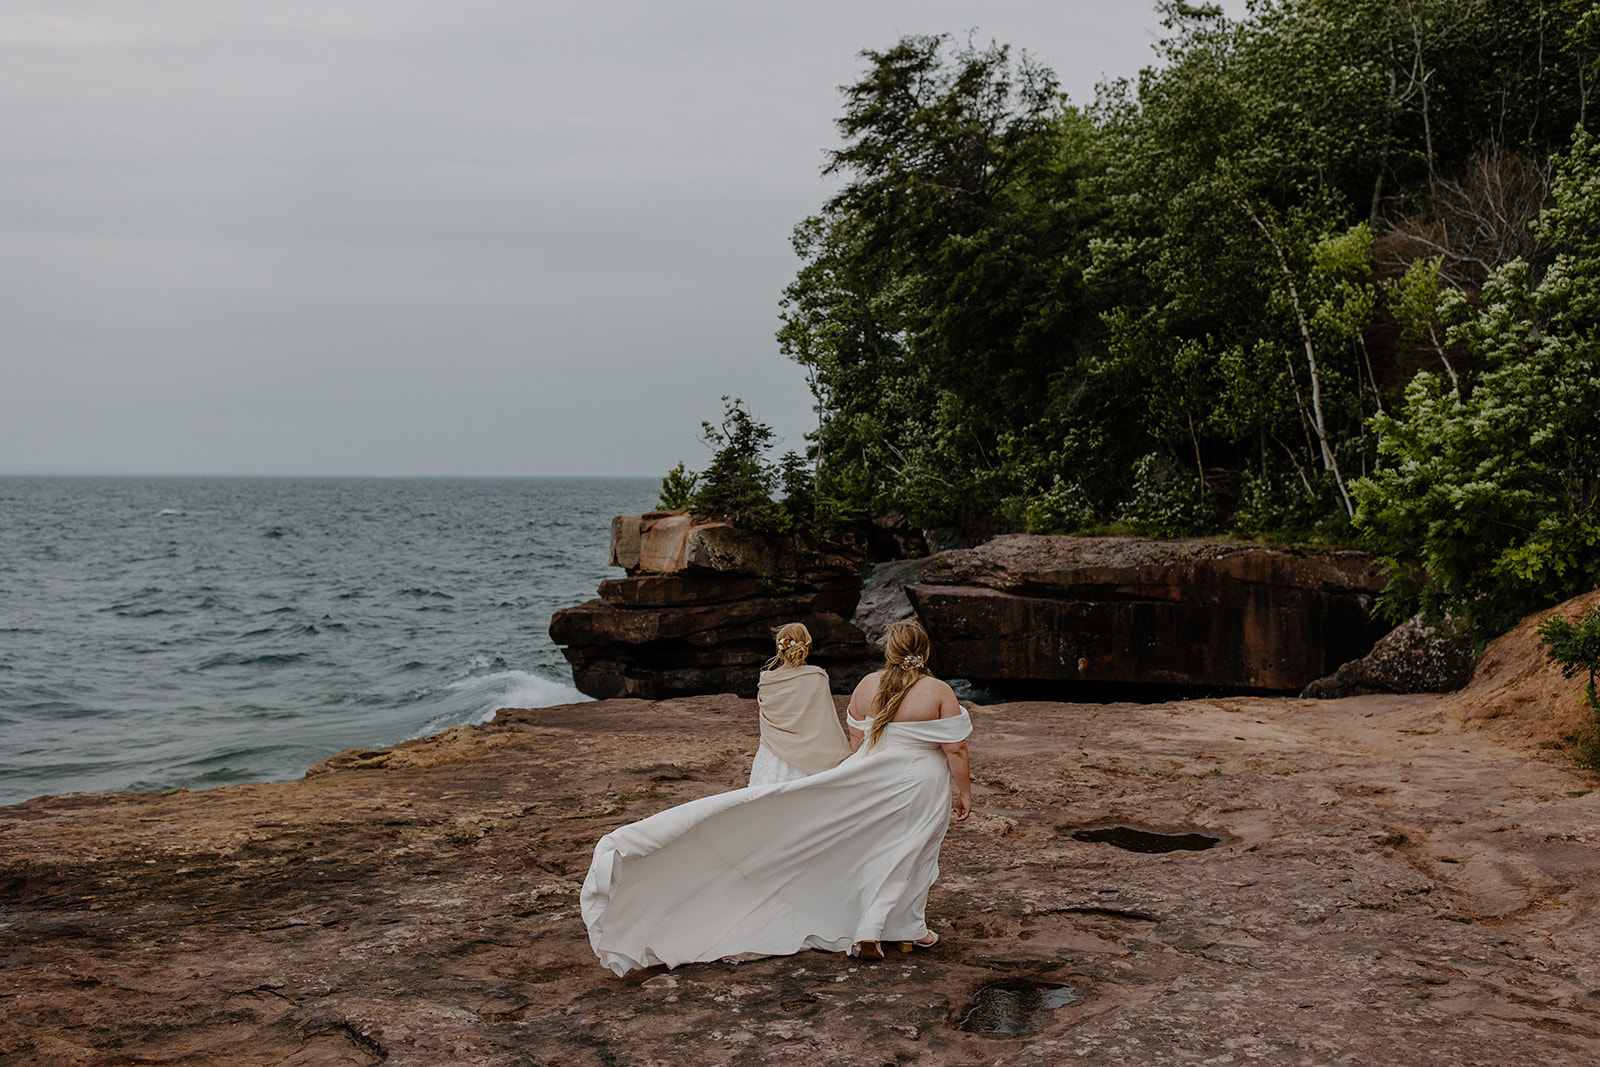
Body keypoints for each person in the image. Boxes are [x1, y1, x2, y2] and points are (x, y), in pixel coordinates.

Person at [580, 618, 973, 975]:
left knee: (873, 848)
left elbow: (858, 743)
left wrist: (851, 782)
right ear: (924, 651)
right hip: (921, 781)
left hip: (872, 777)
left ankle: (879, 926)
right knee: (914, 849)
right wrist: (965, 793)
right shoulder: (937, 690)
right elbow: (955, 749)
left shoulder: (867, 686)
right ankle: (898, 928)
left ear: (889, 649)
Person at [748, 623, 851, 786]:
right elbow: (824, 719)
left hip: (772, 755)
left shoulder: (767, 680)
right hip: (810, 759)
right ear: (807, 646)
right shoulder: (817, 677)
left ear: (779, 647)